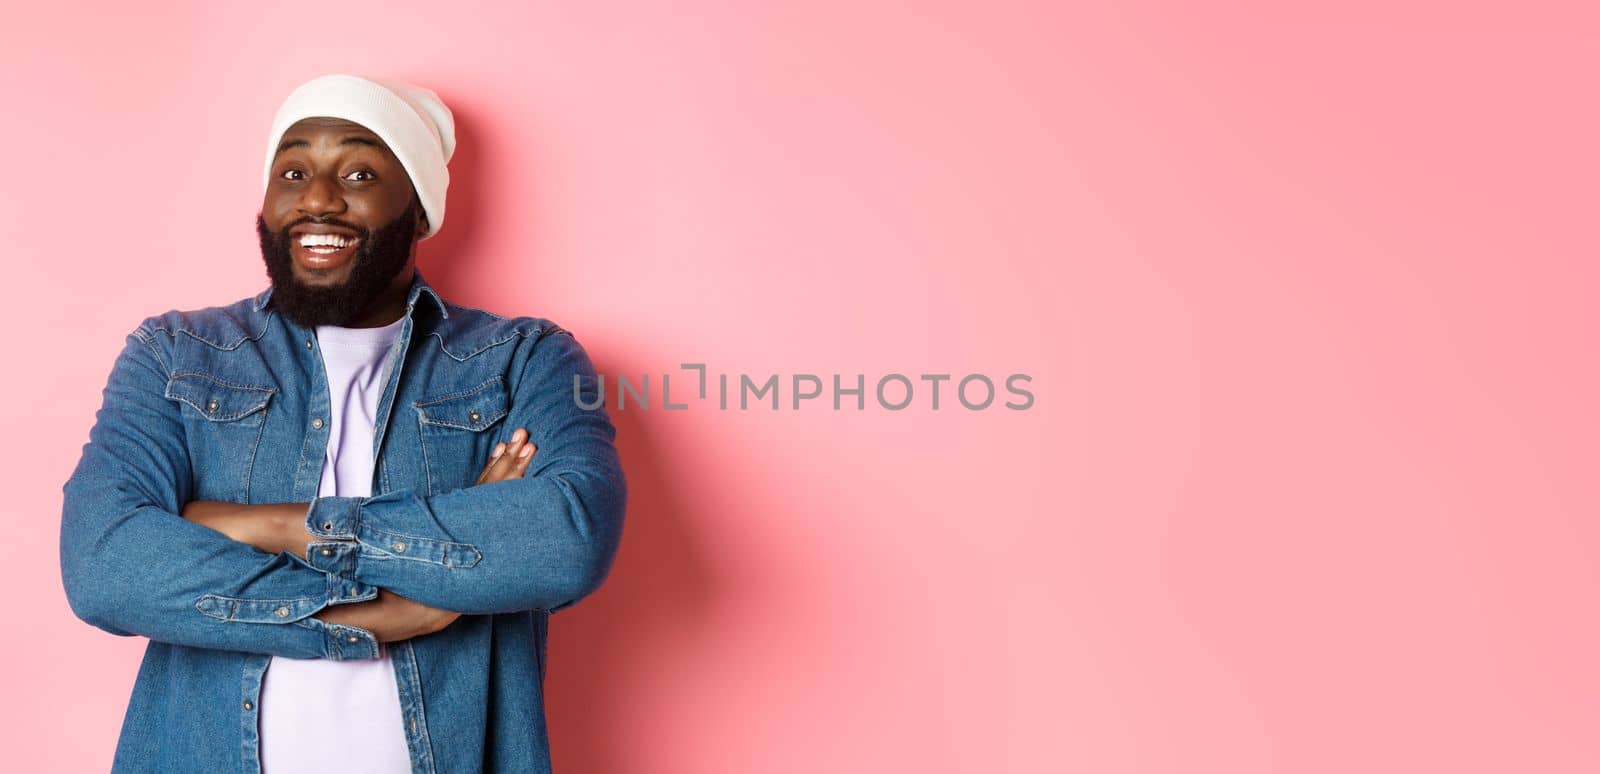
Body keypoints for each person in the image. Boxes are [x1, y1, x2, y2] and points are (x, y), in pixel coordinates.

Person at [59, 73, 627, 774]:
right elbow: (103, 565)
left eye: (359, 172)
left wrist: (272, 525)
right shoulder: (177, 353)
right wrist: (386, 610)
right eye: (293, 170)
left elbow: (566, 541)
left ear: (418, 211)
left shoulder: (522, 360)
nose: (318, 198)